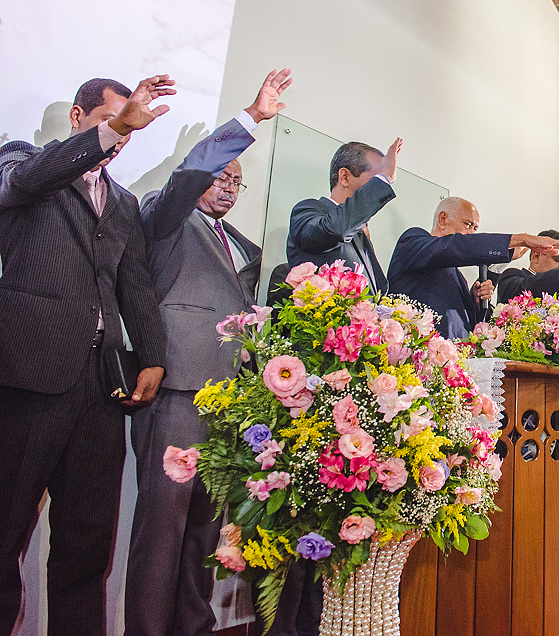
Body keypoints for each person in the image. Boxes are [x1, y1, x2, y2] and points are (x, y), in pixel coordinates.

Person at [0, 75, 173, 636]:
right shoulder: (23, 161)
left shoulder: (122, 203)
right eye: (113, 121)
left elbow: (136, 285)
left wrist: (153, 356)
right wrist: (114, 128)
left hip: (101, 389)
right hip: (29, 376)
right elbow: (24, 181)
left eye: (130, 126)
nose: (123, 135)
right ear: (79, 117)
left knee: (86, 546)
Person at [125, 70, 290, 636]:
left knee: (204, 531)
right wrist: (251, 119)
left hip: (226, 401)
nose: (225, 184)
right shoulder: (165, 218)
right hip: (175, 392)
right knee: (162, 531)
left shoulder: (243, 246)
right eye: (219, 174)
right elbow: (187, 176)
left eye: (235, 180)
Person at [386, 197, 559, 338]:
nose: (472, 233)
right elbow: (456, 246)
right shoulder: (413, 241)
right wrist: (520, 239)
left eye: (476, 227)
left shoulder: (457, 274)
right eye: (468, 224)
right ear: (443, 219)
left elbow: (468, 321)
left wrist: (475, 298)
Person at [286, 137, 404, 293]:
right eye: (374, 180)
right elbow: (334, 229)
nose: (377, 188)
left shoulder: (359, 234)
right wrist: (384, 178)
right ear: (345, 177)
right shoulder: (308, 210)